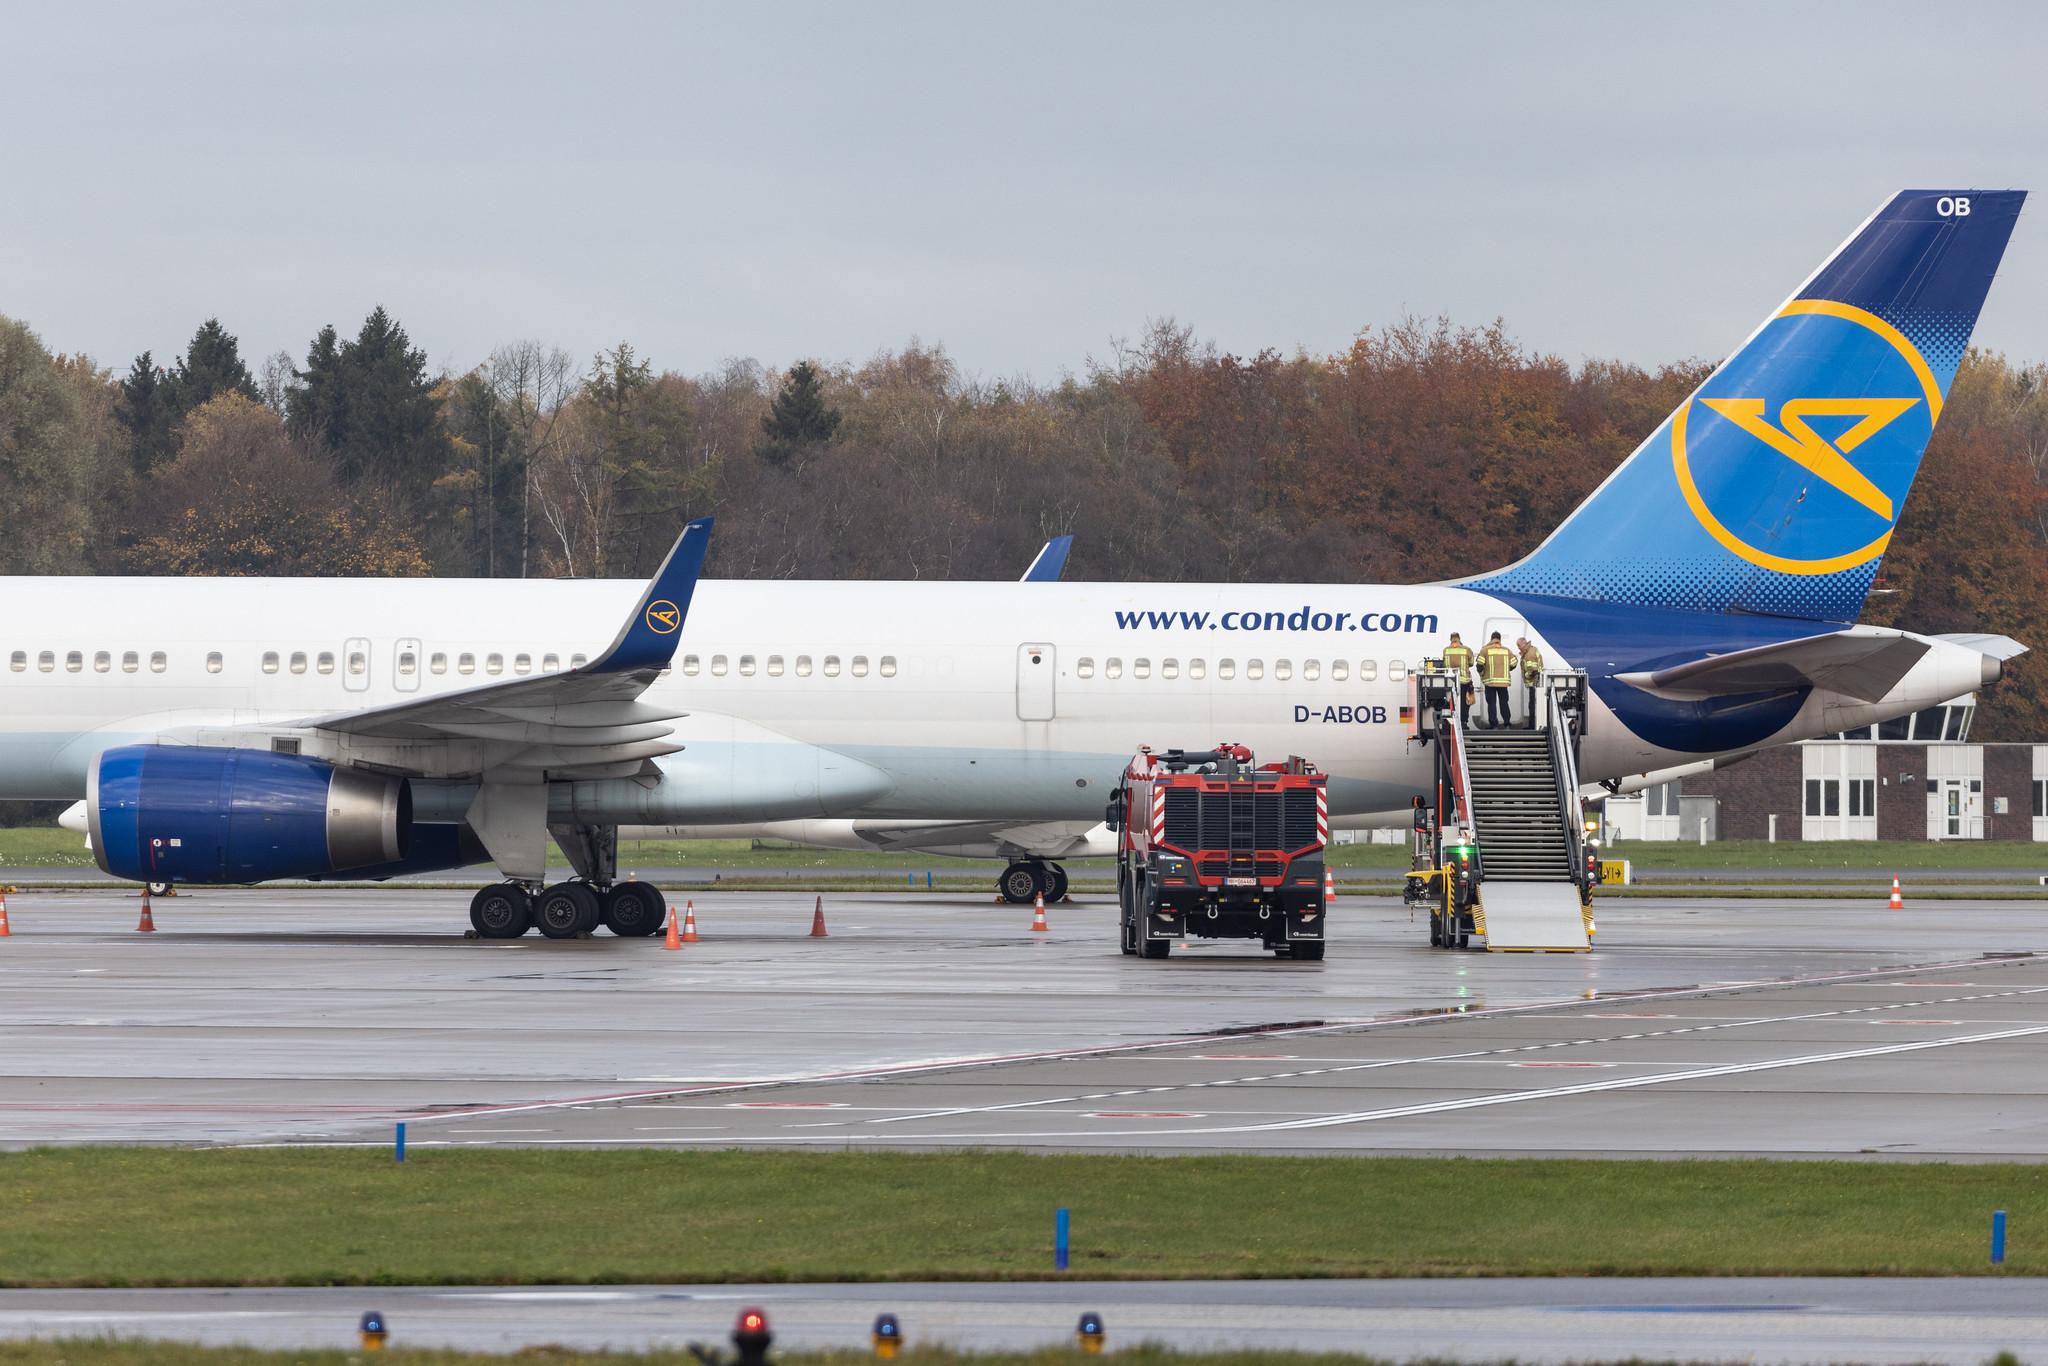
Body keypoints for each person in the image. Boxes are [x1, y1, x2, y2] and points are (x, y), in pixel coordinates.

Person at [1479, 631, 1515, 728]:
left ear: (1491, 639)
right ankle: (1507, 723)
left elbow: (1479, 665)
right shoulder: (1507, 650)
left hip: (1490, 683)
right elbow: (1514, 663)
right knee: (1504, 703)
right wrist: (1507, 668)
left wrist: (1482, 673)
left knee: (1492, 704)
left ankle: (1494, 724)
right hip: (1503, 683)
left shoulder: (1485, 650)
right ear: (1499, 639)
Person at [1441, 632, 1475, 714]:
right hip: (1464, 681)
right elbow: (1471, 663)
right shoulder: (1466, 649)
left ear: (1450, 639)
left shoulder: (1446, 650)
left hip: (1450, 681)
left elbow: (1444, 664)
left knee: (1451, 701)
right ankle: (1464, 722)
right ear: (1459, 638)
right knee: (1464, 701)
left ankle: (1451, 721)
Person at [1517, 636, 1545, 728]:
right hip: (1537, 683)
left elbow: (1532, 671)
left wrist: (1526, 675)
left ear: (1524, 644)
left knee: (1532, 705)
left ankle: (1532, 725)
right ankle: (1532, 724)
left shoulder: (1529, 654)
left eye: (1519, 645)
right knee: (1533, 705)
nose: (1518, 648)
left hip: (1534, 683)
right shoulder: (1532, 649)